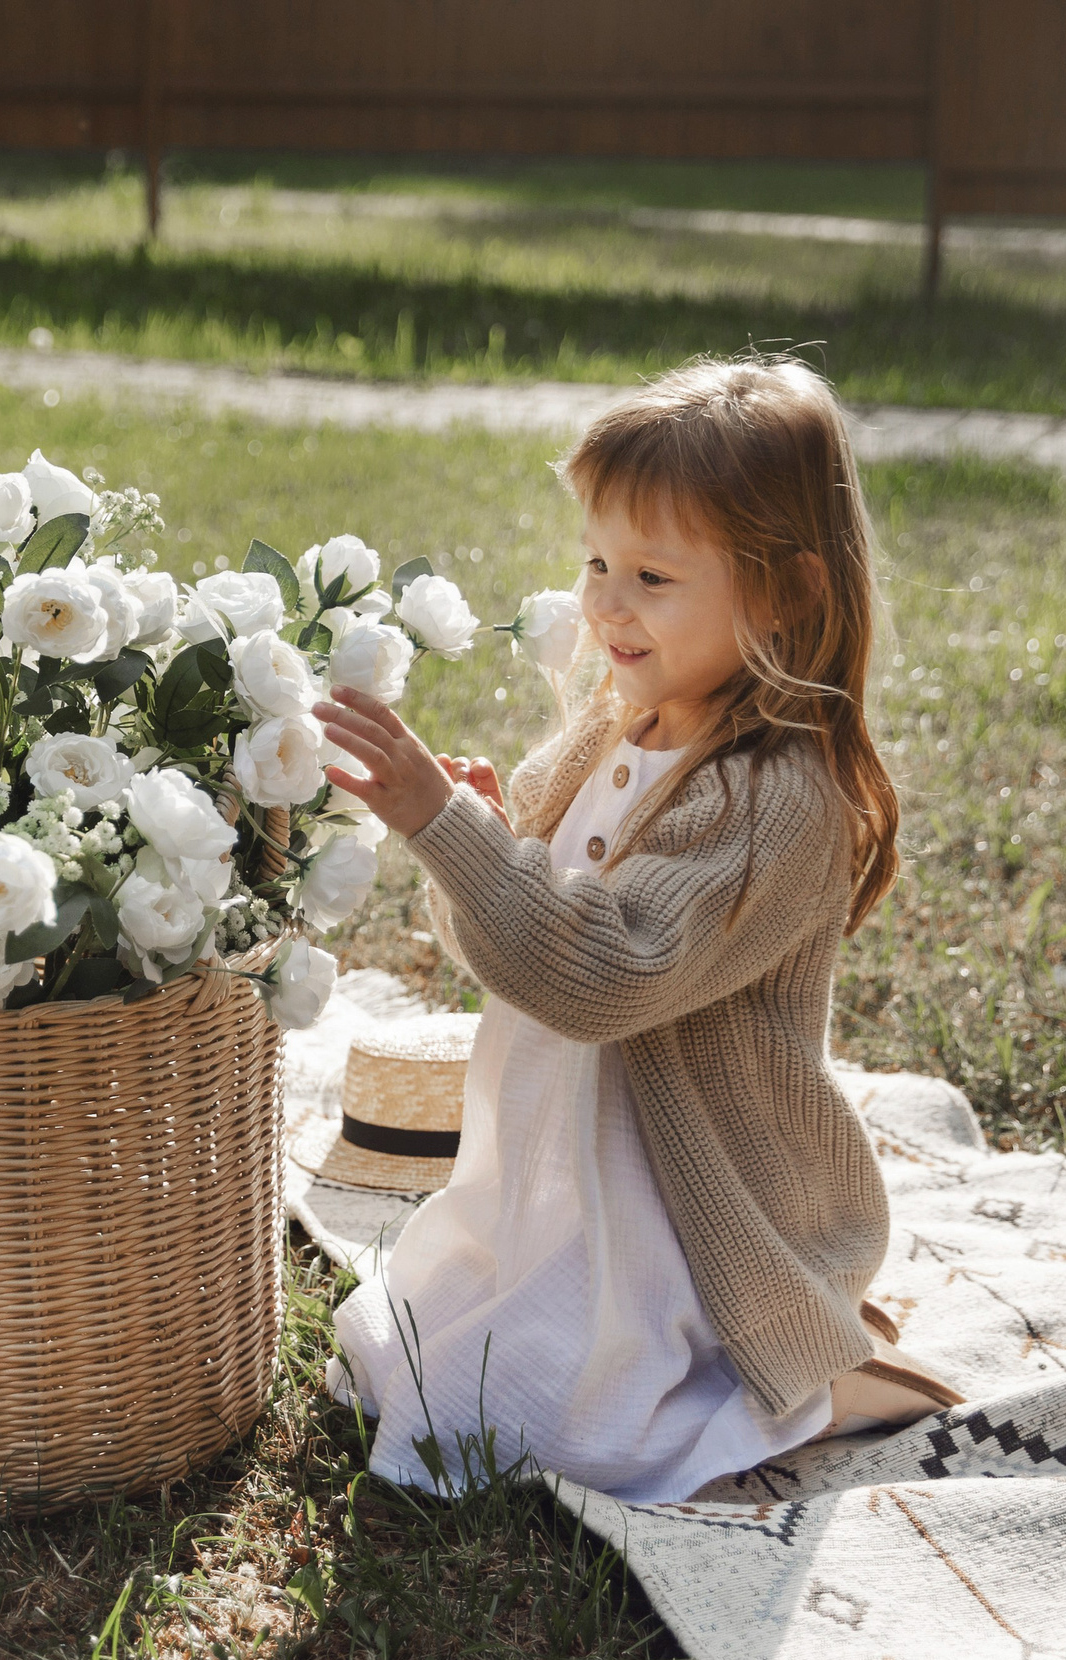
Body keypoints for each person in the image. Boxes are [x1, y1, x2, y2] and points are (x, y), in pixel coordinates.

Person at [312, 358, 959, 1502]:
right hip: (561, 1165)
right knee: (409, 1355)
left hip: (677, 1203)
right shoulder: (613, 730)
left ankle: (819, 1374)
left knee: (553, 1422)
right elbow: (517, 954)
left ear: (789, 595)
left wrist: (450, 827)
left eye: (652, 576)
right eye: (596, 562)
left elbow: (604, 974)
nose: (605, 603)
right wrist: (481, 839)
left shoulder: (774, 801)